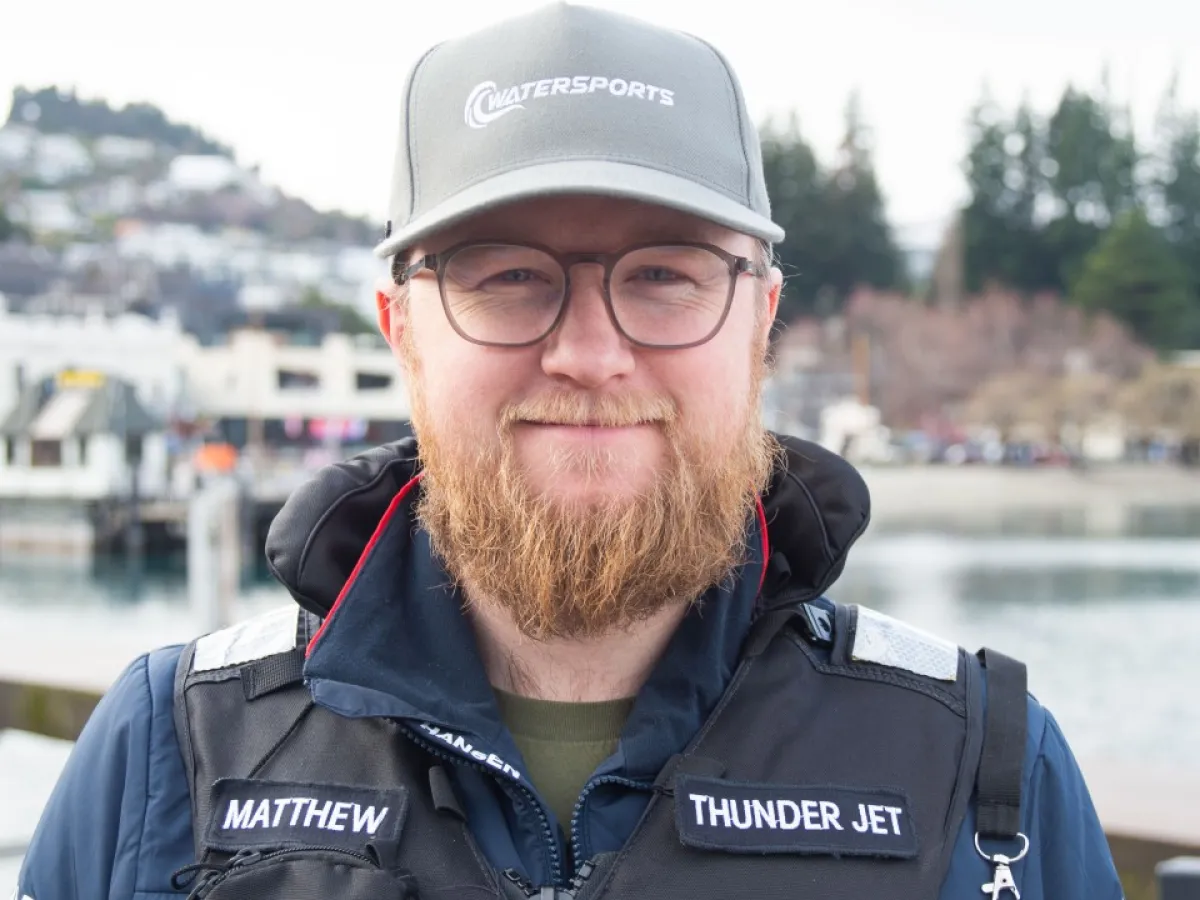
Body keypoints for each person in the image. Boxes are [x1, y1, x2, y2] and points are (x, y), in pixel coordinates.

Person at [18, 4, 1122, 898]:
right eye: (507, 275)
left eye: (666, 274)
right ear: (402, 331)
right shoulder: (172, 751)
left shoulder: (981, 768)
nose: (589, 355)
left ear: (761, 321)